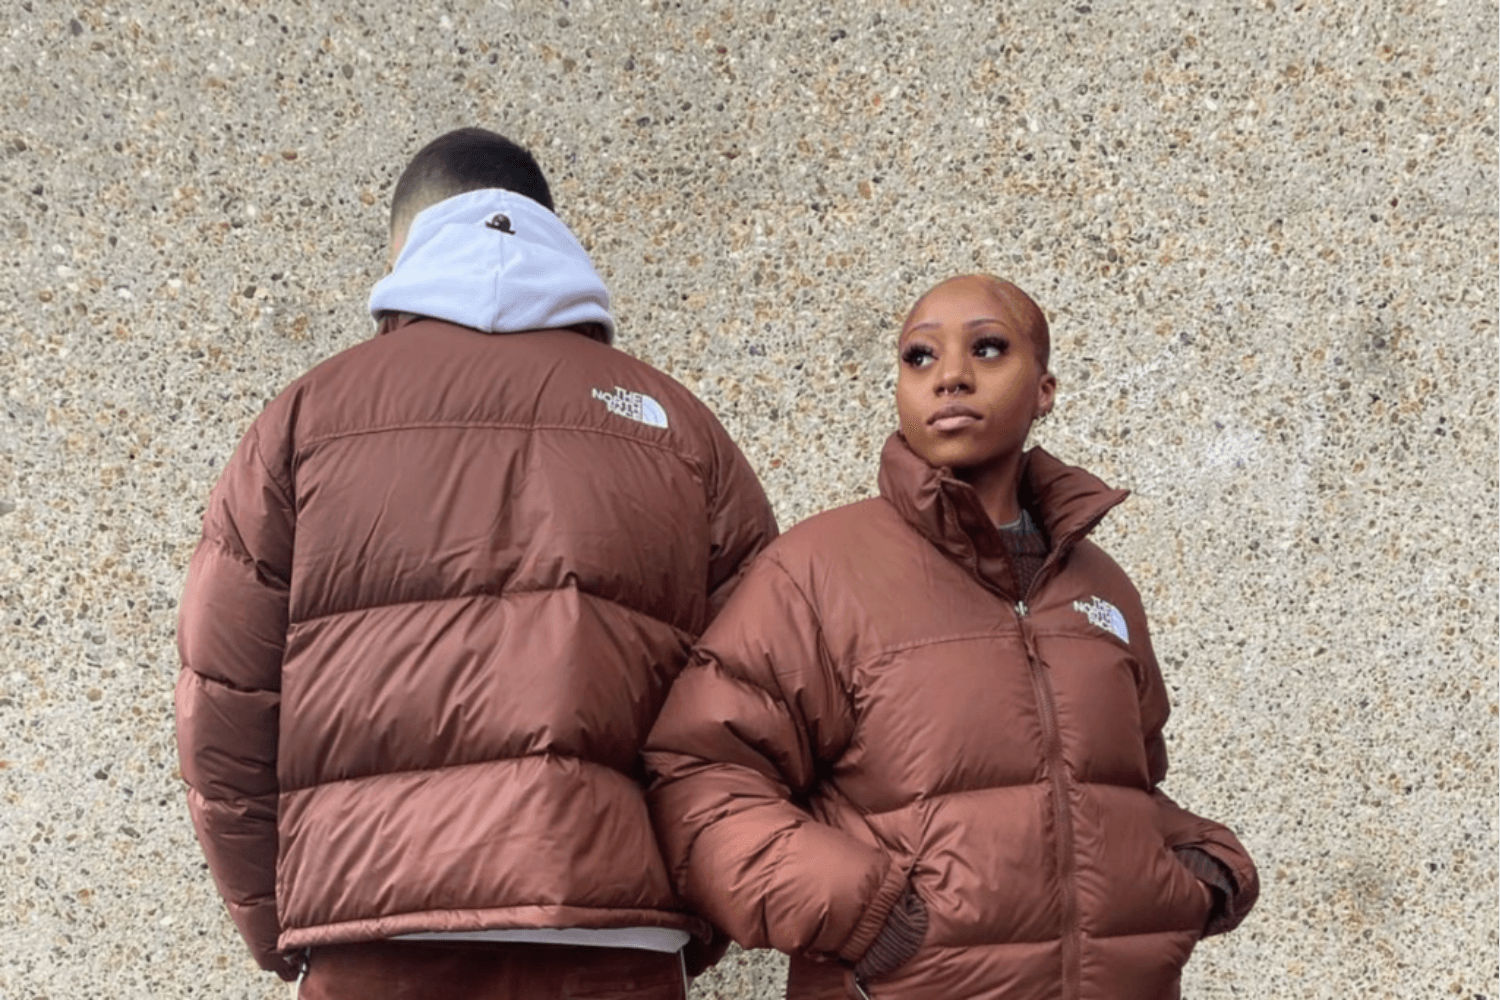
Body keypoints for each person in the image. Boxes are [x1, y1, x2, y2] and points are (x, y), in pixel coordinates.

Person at [174, 127, 777, 999]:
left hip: (373, 929)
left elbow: (224, 700)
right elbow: (762, 701)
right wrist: (697, 920)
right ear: (551, 232)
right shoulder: (678, 429)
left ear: (404, 250)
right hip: (617, 938)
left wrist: (283, 922)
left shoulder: (304, 420)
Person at [644, 275, 1259, 999]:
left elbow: (1121, 788)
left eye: (988, 349)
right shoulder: (816, 571)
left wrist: (1199, 872)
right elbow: (702, 776)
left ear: (1045, 390)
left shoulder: (1102, 589)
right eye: (920, 357)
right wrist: (865, 914)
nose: (950, 377)